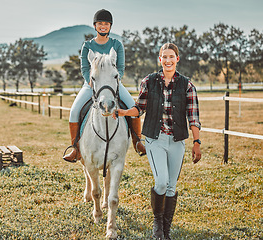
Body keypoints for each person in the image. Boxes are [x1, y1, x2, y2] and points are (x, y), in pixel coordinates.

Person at [112, 43, 201, 240]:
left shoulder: (187, 85)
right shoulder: (149, 81)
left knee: (171, 187)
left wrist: (197, 142)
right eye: (164, 57)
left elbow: (193, 117)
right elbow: (140, 108)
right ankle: (157, 223)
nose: (168, 60)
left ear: (177, 59)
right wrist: (125, 112)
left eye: (171, 57)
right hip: (155, 139)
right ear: (159, 59)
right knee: (161, 182)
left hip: (177, 141)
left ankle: (165, 231)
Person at [63, 9, 146, 162]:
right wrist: (90, 81)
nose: (103, 26)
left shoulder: (117, 45)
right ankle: (76, 148)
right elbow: (84, 68)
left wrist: (114, 81)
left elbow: (120, 67)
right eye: (100, 23)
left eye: (106, 24)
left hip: (113, 85)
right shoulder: (87, 45)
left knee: (132, 108)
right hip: (92, 85)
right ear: (95, 26)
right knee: (74, 111)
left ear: (110, 26)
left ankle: (138, 141)